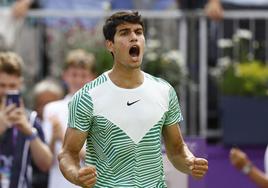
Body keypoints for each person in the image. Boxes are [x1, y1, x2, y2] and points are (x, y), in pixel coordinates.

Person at [58, 11, 208, 188]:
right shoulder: (87, 97)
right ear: (110, 45)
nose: (134, 38)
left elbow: (176, 150)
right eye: (124, 33)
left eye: (138, 32)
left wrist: (190, 162)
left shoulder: (164, 90)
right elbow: (68, 154)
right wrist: (76, 175)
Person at [42, 49, 96, 188]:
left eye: (83, 75)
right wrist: (54, 138)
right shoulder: (51, 109)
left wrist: (64, 137)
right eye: (74, 75)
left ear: (92, 77)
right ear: (65, 76)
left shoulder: (99, 110)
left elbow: (98, 161)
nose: (78, 80)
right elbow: (46, 162)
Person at [0, 51, 52, 188]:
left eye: (12, 86)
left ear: (20, 83)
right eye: (2, 85)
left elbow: (46, 165)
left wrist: (29, 132)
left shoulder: (30, 119)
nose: (6, 91)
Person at [31, 78, 64, 188]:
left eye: (50, 103)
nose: (46, 108)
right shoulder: (31, 125)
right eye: (42, 104)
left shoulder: (63, 124)